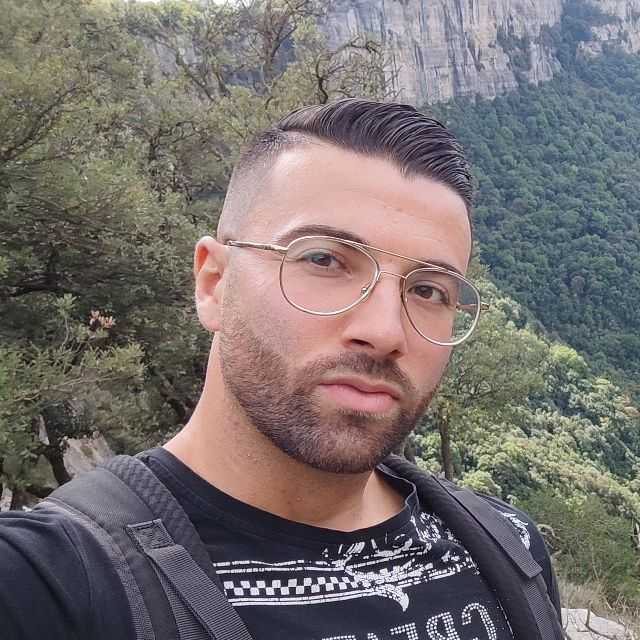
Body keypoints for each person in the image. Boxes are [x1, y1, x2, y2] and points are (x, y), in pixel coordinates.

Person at [0, 99, 560, 640]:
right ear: (214, 283)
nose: (386, 331)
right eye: (324, 259)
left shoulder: (508, 548)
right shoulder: (54, 580)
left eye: (430, 290)